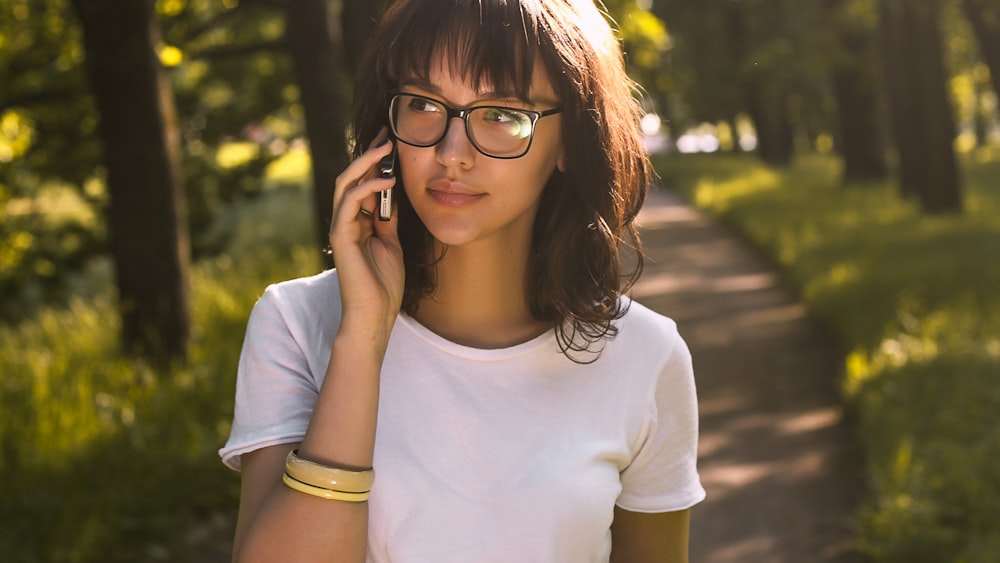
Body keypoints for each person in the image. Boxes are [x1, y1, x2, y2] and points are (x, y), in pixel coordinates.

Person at [219, 0, 705, 561]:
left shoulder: (646, 356)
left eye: (501, 114)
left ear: (571, 139)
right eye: (425, 104)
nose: (453, 154)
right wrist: (362, 337)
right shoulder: (295, 324)